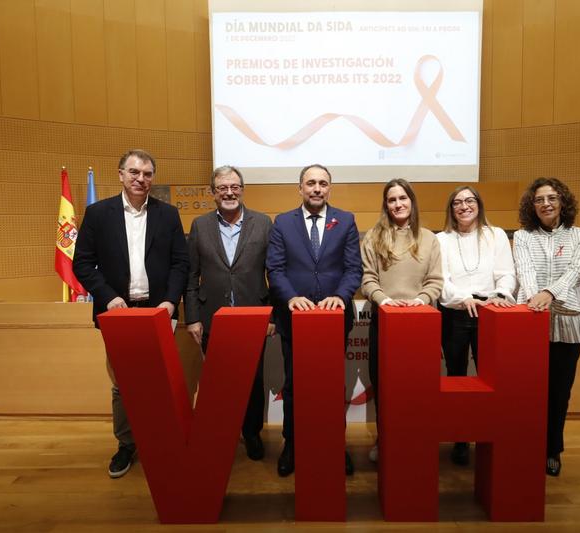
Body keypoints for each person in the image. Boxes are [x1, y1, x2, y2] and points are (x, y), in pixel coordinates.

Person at [73, 149, 189, 478]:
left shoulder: (168, 214)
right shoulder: (98, 214)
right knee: (123, 383)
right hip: (118, 314)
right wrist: (108, 298)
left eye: (148, 174)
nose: (141, 179)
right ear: (121, 174)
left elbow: (181, 263)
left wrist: (170, 301)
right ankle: (126, 444)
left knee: (161, 380)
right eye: (135, 172)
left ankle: (161, 440)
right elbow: (81, 262)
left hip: (158, 311)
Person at [266, 164, 362, 477]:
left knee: (332, 385)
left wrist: (343, 296)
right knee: (294, 385)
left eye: (322, 183)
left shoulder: (345, 220)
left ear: (329, 187)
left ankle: (336, 443)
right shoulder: (283, 222)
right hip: (294, 318)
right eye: (310, 183)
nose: (316, 188)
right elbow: (275, 269)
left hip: (334, 319)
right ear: (300, 188)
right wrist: (291, 296)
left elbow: (353, 269)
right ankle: (291, 443)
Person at [184, 165, 274, 462]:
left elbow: (274, 272)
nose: (229, 192)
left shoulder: (263, 223)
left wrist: (271, 316)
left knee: (253, 379)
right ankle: (223, 432)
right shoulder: (200, 225)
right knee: (218, 381)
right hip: (213, 316)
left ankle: (251, 433)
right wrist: (194, 317)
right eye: (222, 187)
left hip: (253, 315)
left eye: (234, 186)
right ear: (213, 193)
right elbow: (191, 275)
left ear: (242, 189)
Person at [513, 177, 580, 477]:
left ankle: (552, 450)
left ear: (562, 201)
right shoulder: (523, 237)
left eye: (551, 198)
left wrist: (548, 295)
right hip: (531, 321)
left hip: (570, 322)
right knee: (529, 391)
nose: (545, 204)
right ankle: (527, 446)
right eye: (539, 200)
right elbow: (524, 270)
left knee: (560, 391)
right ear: (531, 206)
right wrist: (536, 300)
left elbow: (576, 271)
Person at [361, 179, 442, 463]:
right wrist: (384, 300)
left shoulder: (430, 239)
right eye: (392, 199)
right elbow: (368, 278)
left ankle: (414, 441)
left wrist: (420, 301)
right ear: (386, 205)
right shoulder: (373, 237)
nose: (398, 204)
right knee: (384, 387)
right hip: (383, 322)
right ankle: (385, 441)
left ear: (411, 201)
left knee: (416, 388)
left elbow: (435, 281)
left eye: (402, 198)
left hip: (419, 325)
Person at [436, 186, 516, 466]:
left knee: (491, 378)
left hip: (491, 311)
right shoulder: (441, 239)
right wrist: (464, 299)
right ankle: (460, 439)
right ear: (451, 209)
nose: (464, 206)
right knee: (457, 378)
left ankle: (489, 437)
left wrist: (498, 297)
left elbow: (506, 273)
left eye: (470, 200)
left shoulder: (496, 235)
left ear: (479, 205)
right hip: (455, 312)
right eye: (457, 202)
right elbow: (441, 280)